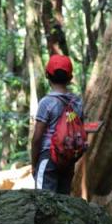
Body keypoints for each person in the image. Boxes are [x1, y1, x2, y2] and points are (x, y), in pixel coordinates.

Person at [31, 55, 84, 194]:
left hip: (48, 158)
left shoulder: (46, 103)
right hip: (68, 161)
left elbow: (37, 138)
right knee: (63, 205)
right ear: (70, 78)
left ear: (47, 75)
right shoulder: (77, 102)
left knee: (43, 203)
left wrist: (34, 163)